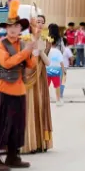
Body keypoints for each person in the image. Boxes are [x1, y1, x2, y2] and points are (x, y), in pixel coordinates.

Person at [0, 6, 38, 171]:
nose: (13, 29)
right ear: (6, 28)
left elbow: (31, 65)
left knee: (17, 126)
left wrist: (33, 49)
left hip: (20, 90)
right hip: (5, 90)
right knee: (0, 125)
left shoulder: (23, 43)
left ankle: (13, 156)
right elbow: (7, 63)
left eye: (16, 26)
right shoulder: (1, 44)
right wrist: (26, 51)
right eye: (10, 26)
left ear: (20, 28)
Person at [21, 9, 53, 154]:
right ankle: (28, 142)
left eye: (41, 22)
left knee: (40, 106)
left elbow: (47, 62)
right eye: (37, 21)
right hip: (28, 76)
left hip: (40, 76)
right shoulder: (25, 39)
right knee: (28, 107)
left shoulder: (46, 41)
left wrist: (40, 51)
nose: (39, 24)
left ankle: (40, 142)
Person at [46, 24, 67, 107]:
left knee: (47, 84)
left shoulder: (47, 38)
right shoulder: (60, 39)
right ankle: (58, 98)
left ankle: (47, 98)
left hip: (47, 66)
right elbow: (63, 50)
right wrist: (63, 69)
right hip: (57, 66)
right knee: (58, 83)